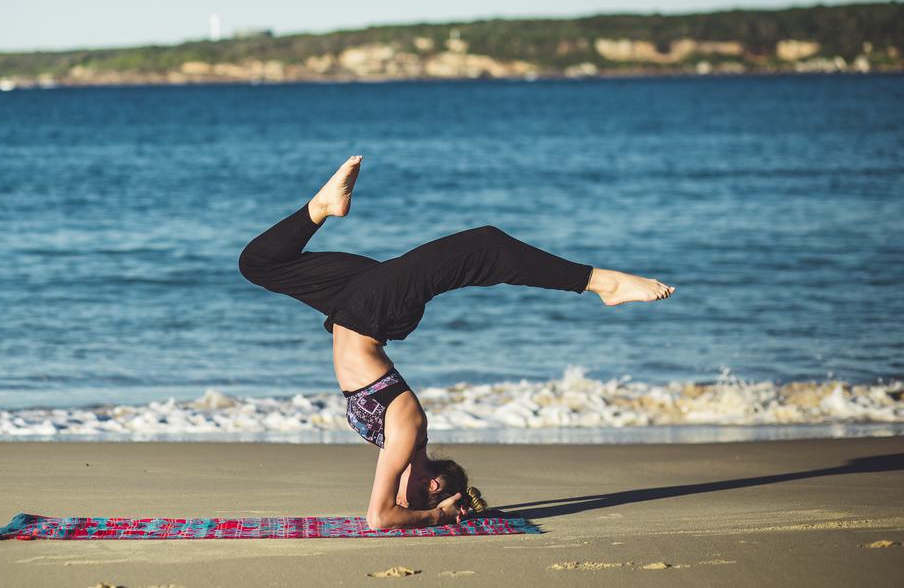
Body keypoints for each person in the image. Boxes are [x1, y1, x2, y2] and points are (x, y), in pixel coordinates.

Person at [238, 156, 675, 530]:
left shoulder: (397, 444)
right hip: (373, 311)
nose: (398, 496)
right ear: (432, 484)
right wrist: (438, 516)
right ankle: (604, 283)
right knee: (486, 244)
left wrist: (443, 511)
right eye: (411, 497)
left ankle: (322, 207)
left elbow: (383, 513)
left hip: (351, 304)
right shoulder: (407, 429)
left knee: (258, 264)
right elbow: (381, 517)